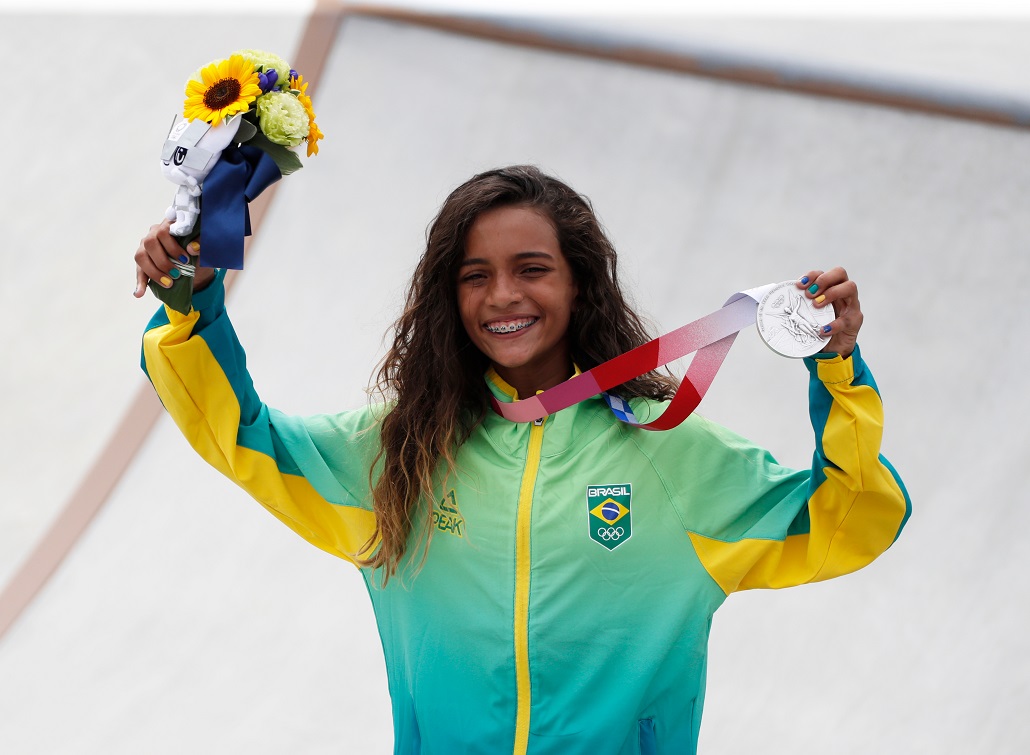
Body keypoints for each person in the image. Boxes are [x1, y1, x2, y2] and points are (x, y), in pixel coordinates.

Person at [133, 165, 910, 754]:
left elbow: (850, 519)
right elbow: (246, 438)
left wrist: (836, 370)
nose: (503, 295)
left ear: (579, 282)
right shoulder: (399, 453)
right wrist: (192, 299)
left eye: (531, 269)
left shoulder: (671, 452)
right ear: (451, 297)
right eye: (476, 276)